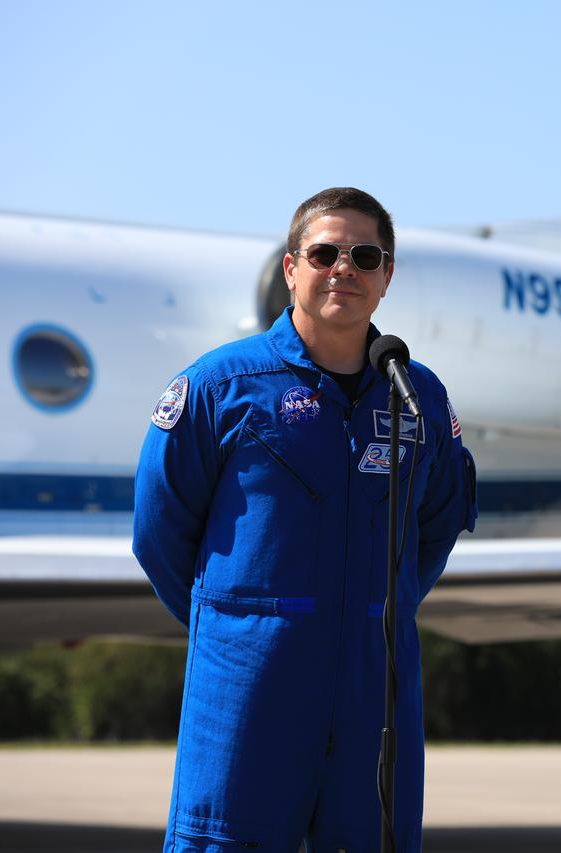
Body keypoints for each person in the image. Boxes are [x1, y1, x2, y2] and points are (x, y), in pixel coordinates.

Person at [133, 187, 477, 852]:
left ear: (386, 278)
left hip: (375, 683)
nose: (343, 267)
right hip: (248, 683)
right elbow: (160, 531)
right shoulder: (218, 387)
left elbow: (434, 527)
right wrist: (244, 625)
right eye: (324, 253)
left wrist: (372, 607)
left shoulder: (419, 396)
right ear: (292, 268)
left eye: (365, 255)